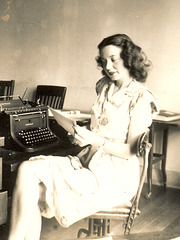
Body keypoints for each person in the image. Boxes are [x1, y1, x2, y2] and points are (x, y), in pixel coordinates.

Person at [8, 33, 158, 240]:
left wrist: (95, 141)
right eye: (104, 61)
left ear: (128, 58)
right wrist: (80, 134)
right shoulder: (105, 89)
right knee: (27, 170)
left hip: (115, 179)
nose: (108, 66)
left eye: (114, 59)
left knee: (32, 189)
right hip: (89, 163)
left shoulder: (141, 98)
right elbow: (99, 129)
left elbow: (131, 151)